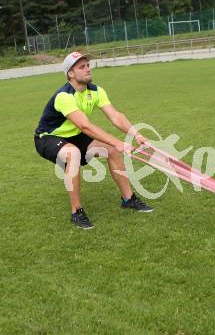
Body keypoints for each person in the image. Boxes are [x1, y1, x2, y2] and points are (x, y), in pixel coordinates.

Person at [34, 51, 153, 229]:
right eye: (81, 67)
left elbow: (115, 116)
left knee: (111, 150)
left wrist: (136, 134)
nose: (88, 69)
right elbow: (86, 127)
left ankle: (129, 199)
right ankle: (77, 212)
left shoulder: (96, 91)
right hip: (48, 138)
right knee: (72, 154)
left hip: (75, 135)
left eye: (88, 65)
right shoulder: (64, 96)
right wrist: (118, 142)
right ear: (70, 74)